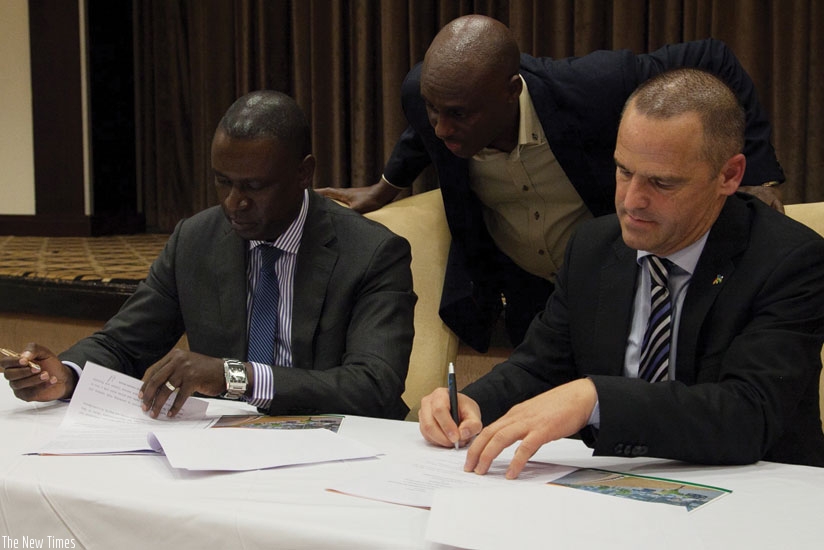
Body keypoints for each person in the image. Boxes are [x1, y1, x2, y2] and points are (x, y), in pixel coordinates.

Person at [418, 68, 824, 475]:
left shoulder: (789, 261)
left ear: (729, 175)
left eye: (662, 183)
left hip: (757, 495)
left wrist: (596, 398)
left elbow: (749, 415)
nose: (632, 201)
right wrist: (473, 402)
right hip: (612, 486)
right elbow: (540, 364)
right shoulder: (594, 246)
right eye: (624, 171)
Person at [318, 15, 785, 353]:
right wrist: (385, 187)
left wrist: (759, 175)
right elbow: (423, 129)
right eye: (434, 110)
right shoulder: (431, 100)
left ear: (511, 89)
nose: (441, 127)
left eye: (458, 113)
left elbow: (714, 58)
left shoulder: (591, 86)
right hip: (528, 295)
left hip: (614, 285)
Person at [2, 91, 416, 420]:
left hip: (336, 447)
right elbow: (124, 344)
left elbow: (373, 386)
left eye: (254, 187)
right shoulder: (196, 239)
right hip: (217, 447)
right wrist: (66, 376)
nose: (234, 203)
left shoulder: (373, 253)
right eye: (223, 183)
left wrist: (235, 376)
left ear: (304, 173)